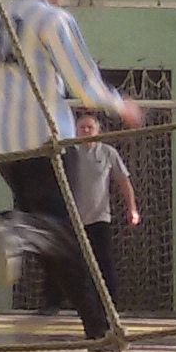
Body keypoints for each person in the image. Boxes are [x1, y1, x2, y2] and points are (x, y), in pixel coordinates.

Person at [0, 0, 143, 341]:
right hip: (44, 137)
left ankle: (98, 329)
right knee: (59, 231)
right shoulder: (53, 19)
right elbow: (84, 84)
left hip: (1, 144)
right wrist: (120, 104)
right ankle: (15, 226)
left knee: (58, 240)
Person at [64, 110, 140, 313]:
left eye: (90, 128)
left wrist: (132, 208)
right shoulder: (68, 153)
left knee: (103, 262)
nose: (86, 131)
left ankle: (110, 305)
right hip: (73, 219)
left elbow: (124, 182)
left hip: (99, 217)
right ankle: (78, 305)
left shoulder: (107, 152)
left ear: (98, 131)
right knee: (74, 264)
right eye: (82, 128)